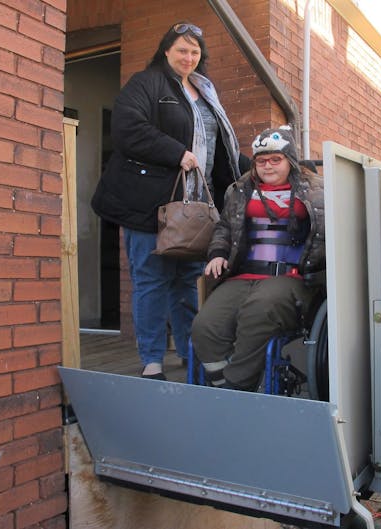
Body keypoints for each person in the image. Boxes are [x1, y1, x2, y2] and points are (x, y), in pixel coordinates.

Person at [91, 21, 244, 380]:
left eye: (195, 52)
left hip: (192, 208)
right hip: (149, 203)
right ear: (166, 51)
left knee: (187, 283)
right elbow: (128, 128)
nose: (189, 57)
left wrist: (258, 167)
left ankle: (193, 353)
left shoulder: (206, 91)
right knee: (151, 280)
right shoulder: (147, 84)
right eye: (182, 50)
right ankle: (152, 360)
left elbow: (221, 148)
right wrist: (176, 151)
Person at [191, 126, 326, 391]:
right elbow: (224, 228)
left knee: (258, 312)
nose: (268, 166)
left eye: (276, 159)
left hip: (291, 277)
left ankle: (237, 389)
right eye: (261, 161)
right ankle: (220, 382)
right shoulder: (240, 190)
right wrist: (217, 253)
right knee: (206, 325)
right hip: (243, 274)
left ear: (290, 161)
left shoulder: (317, 191)